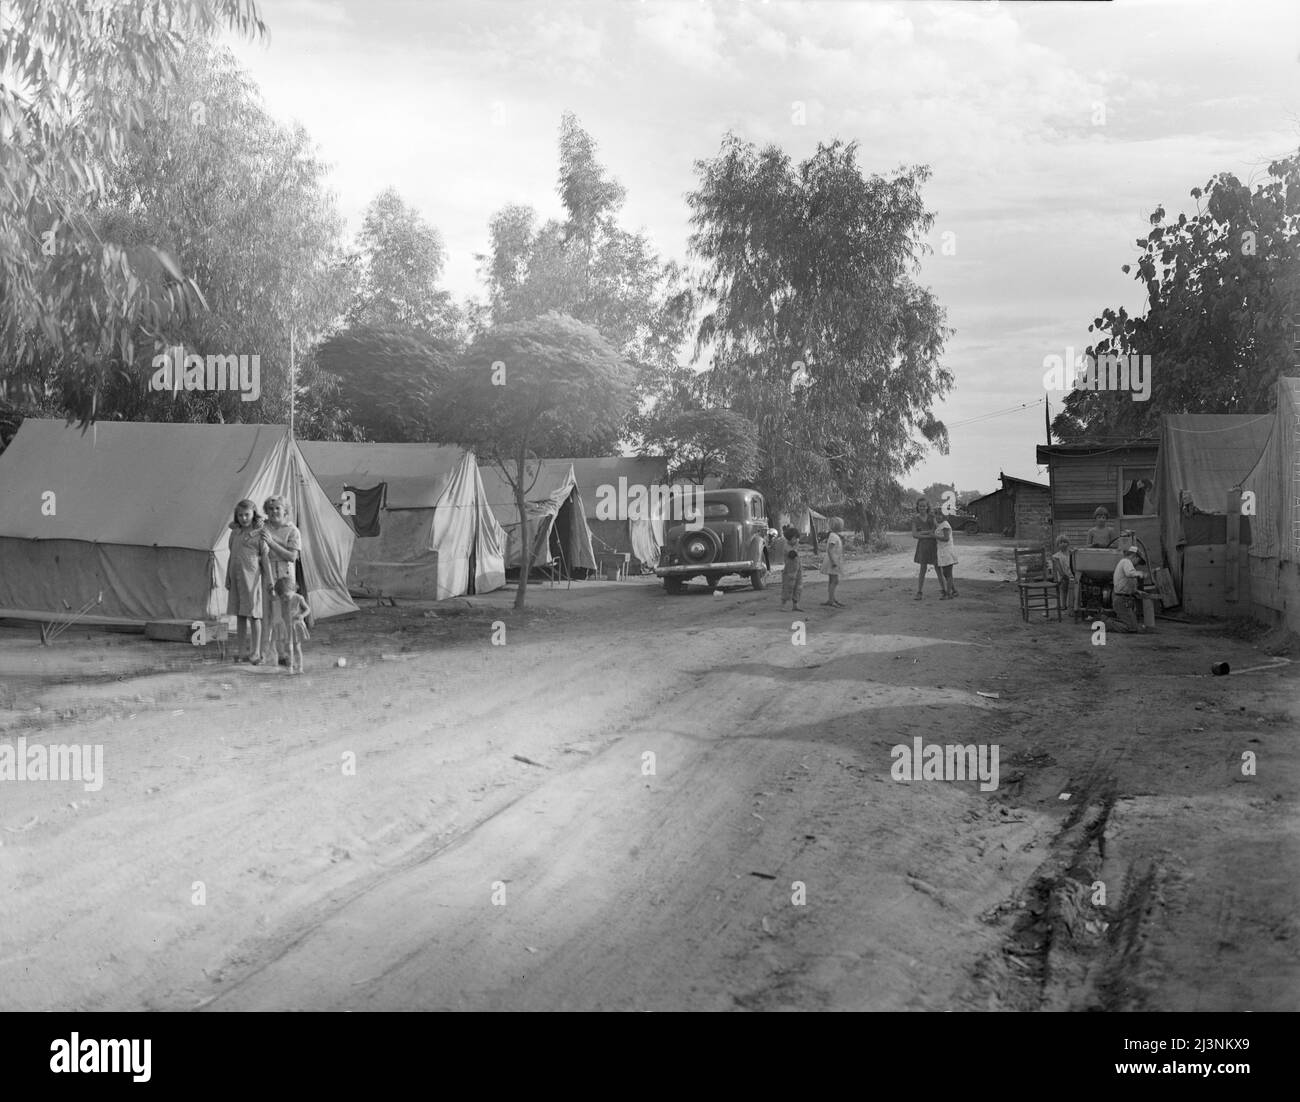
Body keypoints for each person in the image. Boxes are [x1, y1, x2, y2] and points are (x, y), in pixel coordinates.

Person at [225, 498, 270, 663]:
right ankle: (242, 650)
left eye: (247, 514)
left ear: (253, 514)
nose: (244, 518)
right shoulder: (235, 533)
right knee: (240, 615)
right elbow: (232, 554)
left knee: (254, 615)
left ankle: (255, 651)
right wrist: (228, 577)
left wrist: (269, 580)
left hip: (251, 578)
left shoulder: (259, 533)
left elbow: (264, 558)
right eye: (241, 515)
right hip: (236, 578)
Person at [260, 495, 302, 666]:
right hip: (268, 572)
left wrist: (272, 542)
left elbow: (292, 556)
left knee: (286, 616)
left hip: (286, 575)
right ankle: (268, 653)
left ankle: (288, 653)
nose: (274, 512)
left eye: (278, 508)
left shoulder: (292, 531)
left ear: (285, 510)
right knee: (269, 615)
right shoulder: (263, 527)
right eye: (270, 509)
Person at [1104, 545, 1147, 633]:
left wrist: (1136, 591)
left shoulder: (1125, 563)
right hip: (1121, 599)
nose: (1137, 564)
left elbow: (1126, 581)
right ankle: (1106, 623)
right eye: (1138, 561)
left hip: (1122, 599)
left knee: (1133, 625)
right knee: (1132, 628)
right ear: (1134, 556)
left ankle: (1107, 621)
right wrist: (1139, 573)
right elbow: (1129, 573)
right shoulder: (1126, 562)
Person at [273, 576, 312, 674]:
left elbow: (308, 609)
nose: (284, 598)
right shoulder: (283, 598)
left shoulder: (299, 598)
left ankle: (300, 667)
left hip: (296, 626)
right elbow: (273, 597)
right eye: (282, 597)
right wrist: (271, 591)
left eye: (286, 595)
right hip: (287, 627)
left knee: (297, 647)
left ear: (292, 589)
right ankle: (290, 667)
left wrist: (302, 615)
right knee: (289, 648)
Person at [911, 499, 940, 599]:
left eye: (924, 506)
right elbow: (914, 534)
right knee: (922, 569)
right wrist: (929, 534)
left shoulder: (932, 517)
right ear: (917, 507)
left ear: (927, 507)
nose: (922, 508)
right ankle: (919, 592)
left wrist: (923, 533)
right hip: (923, 546)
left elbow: (938, 530)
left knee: (938, 568)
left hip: (934, 545)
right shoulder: (915, 519)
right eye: (920, 506)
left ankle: (945, 590)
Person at [821, 517, 845, 607]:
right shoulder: (834, 537)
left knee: (832, 580)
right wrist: (834, 562)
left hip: (833, 560)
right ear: (838, 526)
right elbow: (830, 550)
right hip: (832, 561)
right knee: (834, 581)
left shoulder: (833, 536)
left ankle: (832, 598)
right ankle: (831, 600)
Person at [780, 524, 804, 612]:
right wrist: (796, 547)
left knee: (798, 586)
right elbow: (792, 555)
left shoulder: (794, 545)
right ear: (790, 538)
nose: (797, 540)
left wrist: (796, 545)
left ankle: (795, 604)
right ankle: (783, 605)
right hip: (789, 571)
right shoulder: (787, 547)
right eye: (795, 538)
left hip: (797, 570)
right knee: (788, 587)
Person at [934, 514, 957, 599]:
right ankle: (954, 590)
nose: (938, 516)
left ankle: (948, 594)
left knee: (948, 573)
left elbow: (946, 538)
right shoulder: (941, 525)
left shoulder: (945, 525)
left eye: (940, 515)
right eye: (937, 515)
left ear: (944, 516)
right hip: (942, 551)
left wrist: (934, 536)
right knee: (945, 573)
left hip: (947, 551)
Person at [1050, 535, 1076, 612]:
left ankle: (1071, 605)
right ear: (1058, 545)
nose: (1063, 544)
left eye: (1065, 542)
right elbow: (1058, 567)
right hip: (1063, 576)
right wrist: (1063, 575)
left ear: (1068, 543)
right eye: (1061, 542)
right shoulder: (1057, 556)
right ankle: (1063, 605)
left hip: (1072, 575)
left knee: (1072, 590)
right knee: (1063, 589)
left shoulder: (1072, 553)